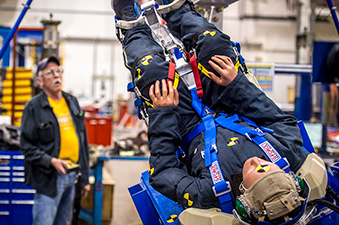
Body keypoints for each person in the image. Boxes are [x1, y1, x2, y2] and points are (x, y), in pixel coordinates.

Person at [112, 0, 309, 215]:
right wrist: (236, 84)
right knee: (215, 48)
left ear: (244, 198)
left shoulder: (208, 194)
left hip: (184, 122)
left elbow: (162, 173)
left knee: (152, 74)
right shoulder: (289, 155)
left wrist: (163, 112)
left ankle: (131, 26)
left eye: (256, 174)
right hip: (229, 100)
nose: (256, 162)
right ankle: (176, 10)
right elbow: (279, 120)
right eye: (270, 170)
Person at [20, 56, 90, 225]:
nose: (56, 75)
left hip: (72, 175)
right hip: (49, 178)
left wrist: (85, 179)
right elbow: (26, 146)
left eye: (58, 70)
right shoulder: (33, 107)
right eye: (50, 72)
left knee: (64, 222)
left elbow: (83, 141)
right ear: (40, 80)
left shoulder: (71, 101)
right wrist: (51, 161)